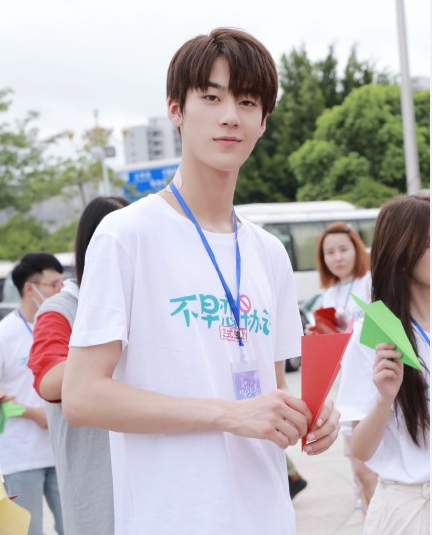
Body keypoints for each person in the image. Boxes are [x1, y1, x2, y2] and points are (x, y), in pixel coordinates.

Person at [62, 28, 340, 535]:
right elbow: (82, 396)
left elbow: (272, 392)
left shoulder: (269, 253)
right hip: (170, 519)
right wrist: (229, 415)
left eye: (247, 101)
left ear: (263, 121)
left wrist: (311, 416)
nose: (230, 115)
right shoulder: (127, 235)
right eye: (211, 97)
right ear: (176, 109)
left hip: (267, 518)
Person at [28, 196, 130, 535]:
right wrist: (107, 350)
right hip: (99, 490)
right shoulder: (61, 309)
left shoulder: (144, 302)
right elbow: (49, 380)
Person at [336, 193, 430, 535]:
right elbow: (361, 449)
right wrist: (384, 398)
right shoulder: (372, 333)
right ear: (403, 255)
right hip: (407, 509)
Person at [313, 221, 378, 513]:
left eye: (343, 249)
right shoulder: (329, 293)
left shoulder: (371, 282)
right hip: (348, 388)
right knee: (358, 471)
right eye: (330, 252)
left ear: (357, 249)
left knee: (369, 469)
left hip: (375, 385)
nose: (337, 257)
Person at [0, 252, 64, 535]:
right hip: (21, 455)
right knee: (28, 530)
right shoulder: (5, 333)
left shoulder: (59, 329)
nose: (60, 290)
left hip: (61, 451)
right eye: (54, 284)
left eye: (62, 283)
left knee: (74, 527)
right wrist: (31, 413)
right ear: (30, 288)